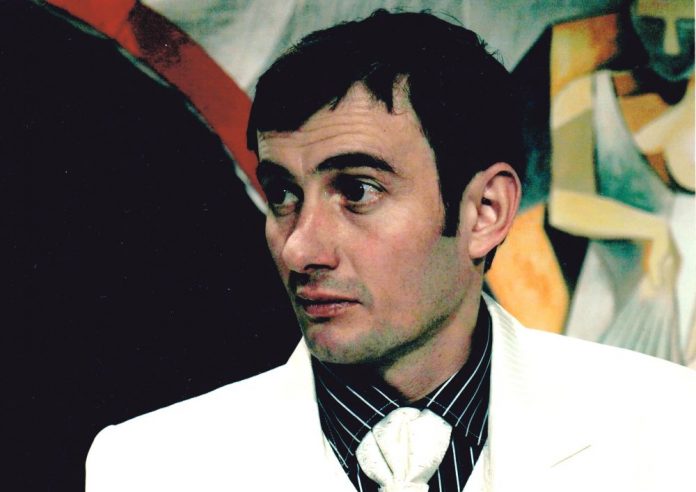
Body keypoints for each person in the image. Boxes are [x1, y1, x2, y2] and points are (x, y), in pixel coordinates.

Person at [86, 10, 696, 492]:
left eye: (357, 191)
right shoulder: (149, 468)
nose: (300, 248)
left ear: (485, 211)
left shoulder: (671, 429)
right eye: (283, 195)